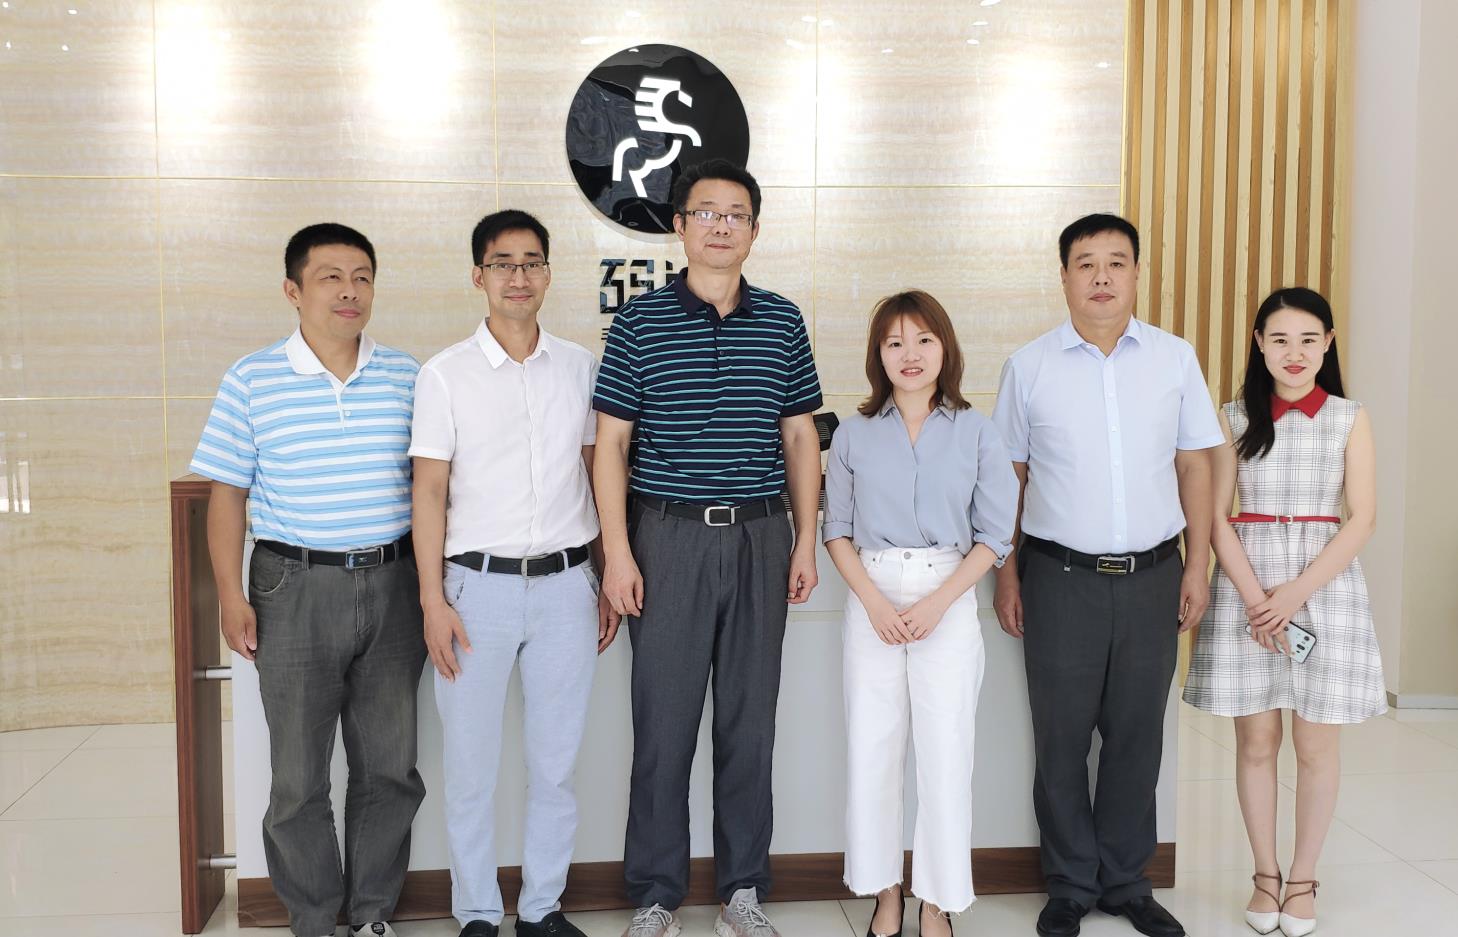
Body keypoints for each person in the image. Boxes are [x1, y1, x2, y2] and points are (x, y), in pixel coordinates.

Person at [592, 158, 824, 937]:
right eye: (707, 212)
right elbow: (610, 444)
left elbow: (800, 437)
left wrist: (805, 540)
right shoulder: (639, 323)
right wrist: (618, 552)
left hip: (761, 535)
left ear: (754, 230)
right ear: (680, 225)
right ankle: (657, 894)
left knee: (749, 724)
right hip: (667, 538)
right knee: (663, 725)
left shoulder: (783, 320)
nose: (721, 225)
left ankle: (742, 891)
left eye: (736, 214)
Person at [992, 213, 1223, 937]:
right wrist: (1006, 574)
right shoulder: (1028, 366)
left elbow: (1195, 467)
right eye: (1085, 263)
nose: (1101, 277)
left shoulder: (1174, 360)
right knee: (1060, 738)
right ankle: (1068, 883)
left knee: (1137, 736)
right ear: (1064, 276)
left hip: (1155, 576)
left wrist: (1199, 565)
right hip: (1058, 577)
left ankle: (1126, 881)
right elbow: (1009, 481)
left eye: (1116, 262)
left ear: (1137, 274)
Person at [191, 223, 425, 937]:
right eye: (330, 277)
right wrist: (230, 594)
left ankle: (373, 912)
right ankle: (315, 918)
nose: (349, 291)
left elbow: (434, 486)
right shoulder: (251, 378)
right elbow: (227, 494)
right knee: (297, 776)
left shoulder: (410, 376)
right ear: (293, 290)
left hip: (394, 582)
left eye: (361, 277)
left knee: (390, 766)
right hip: (292, 585)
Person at [411, 210, 618, 937]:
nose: (518, 276)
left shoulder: (580, 367)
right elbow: (428, 492)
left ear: (549, 274)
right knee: (471, 768)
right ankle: (475, 912)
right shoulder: (444, 375)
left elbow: (597, 475)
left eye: (532, 262)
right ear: (479, 276)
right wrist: (432, 601)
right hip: (475, 592)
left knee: (555, 764)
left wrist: (605, 574)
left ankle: (540, 909)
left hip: (567, 588)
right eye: (503, 263)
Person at [1182, 287, 1383, 937]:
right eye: (1279, 339)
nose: (1294, 353)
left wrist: (1294, 594)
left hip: (1324, 585)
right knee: (1256, 740)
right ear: (1259, 345)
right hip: (1248, 583)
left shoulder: (1350, 417)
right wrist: (1254, 599)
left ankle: (1302, 878)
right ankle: (1265, 875)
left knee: (1316, 743)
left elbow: (1362, 519)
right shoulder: (1233, 415)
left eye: (1307, 340)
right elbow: (1216, 516)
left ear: (1328, 344)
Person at [823, 290, 1017, 937]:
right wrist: (876, 603)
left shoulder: (977, 430)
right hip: (871, 591)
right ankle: (886, 893)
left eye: (924, 339)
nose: (910, 354)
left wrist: (938, 601)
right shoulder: (853, 434)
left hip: (948, 591)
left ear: (945, 348)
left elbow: (995, 533)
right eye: (895, 342)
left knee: (946, 752)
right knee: (872, 750)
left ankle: (937, 900)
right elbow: (836, 529)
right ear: (878, 354)